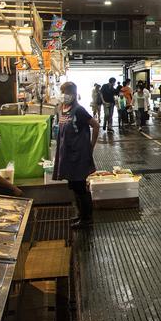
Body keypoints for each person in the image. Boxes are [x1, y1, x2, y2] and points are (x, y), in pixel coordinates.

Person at [53, 82, 100, 228]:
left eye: (65, 92)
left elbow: (96, 125)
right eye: (62, 92)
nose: (63, 95)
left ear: (72, 94)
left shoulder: (79, 110)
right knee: (74, 186)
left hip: (78, 156)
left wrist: (91, 146)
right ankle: (81, 215)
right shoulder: (63, 109)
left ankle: (87, 219)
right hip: (67, 156)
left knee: (80, 187)